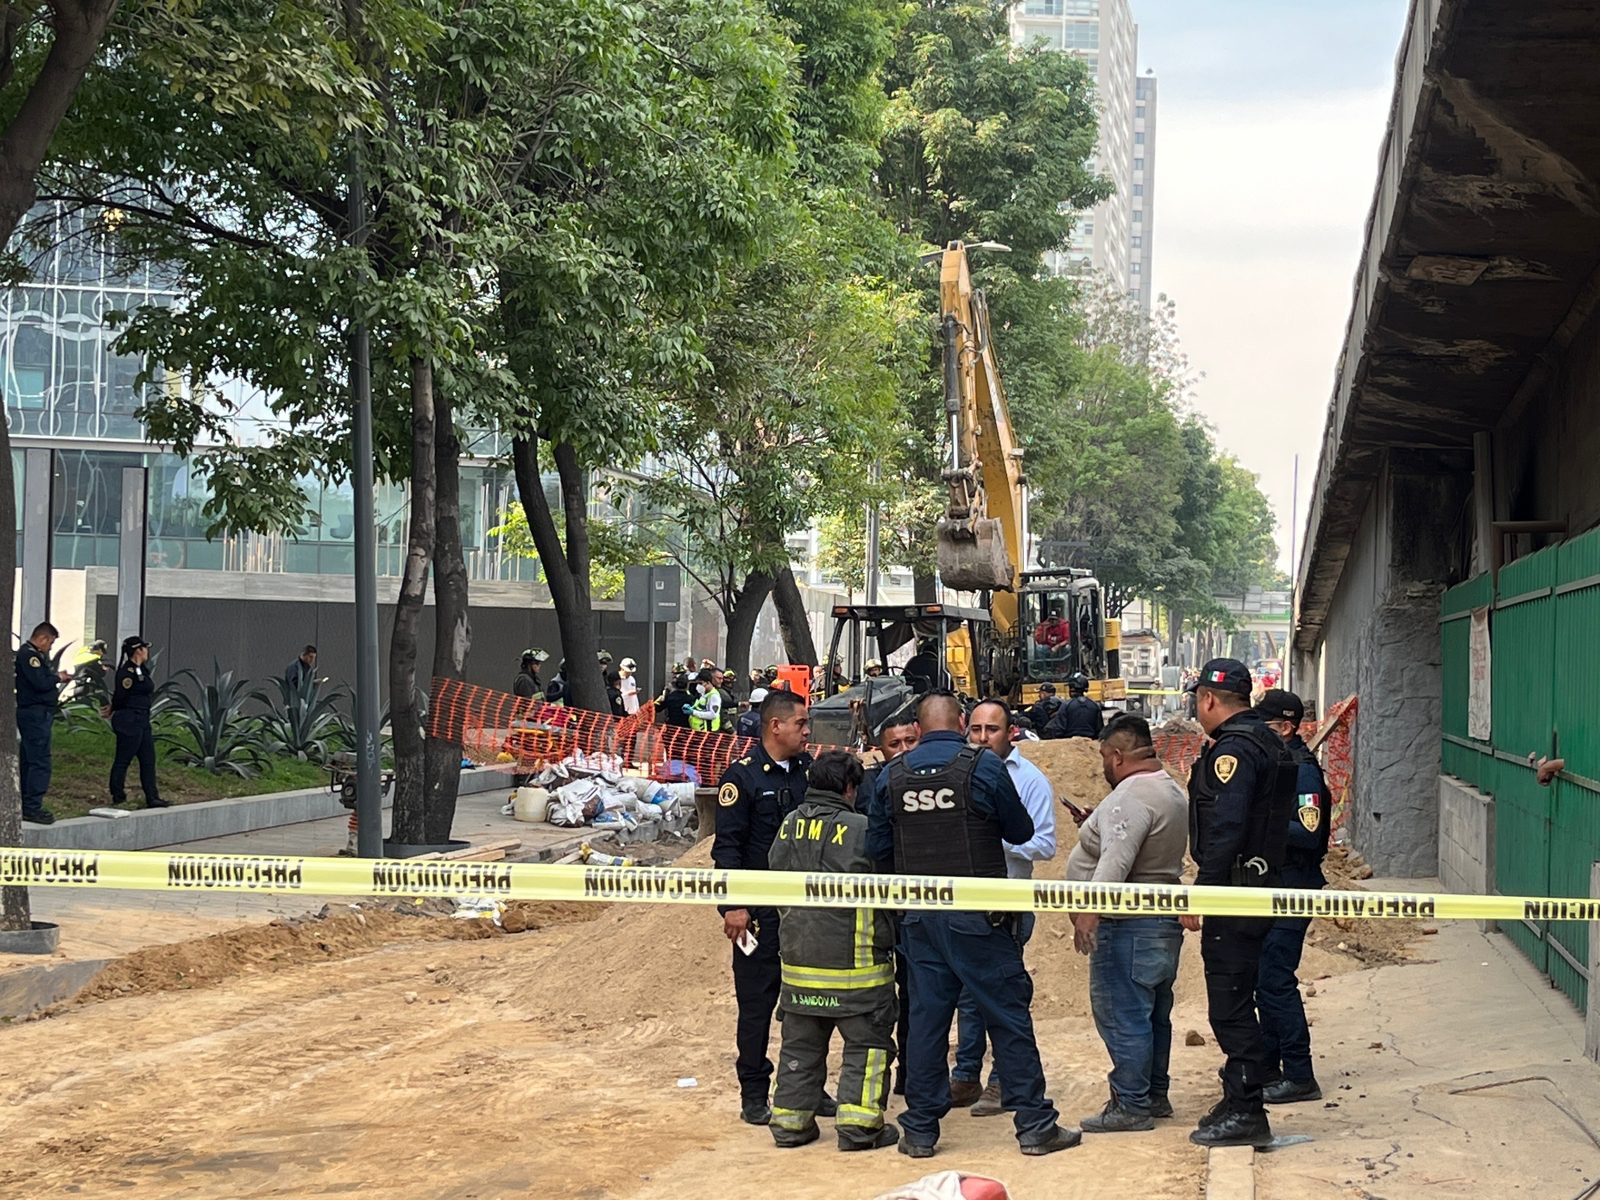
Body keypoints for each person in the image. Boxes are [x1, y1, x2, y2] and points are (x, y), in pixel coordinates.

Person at [865, 692, 1079, 1159]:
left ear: (918, 731)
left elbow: (878, 848)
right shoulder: (982, 767)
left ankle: (920, 1130)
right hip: (980, 917)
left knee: (925, 1022)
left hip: (920, 919)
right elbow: (1022, 832)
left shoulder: (891, 775)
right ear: (961, 723)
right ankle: (1035, 1126)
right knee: (1007, 1015)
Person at [1183, 658, 1297, 1148]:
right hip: (1260, 884)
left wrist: (1204, 890)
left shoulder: (1234, 750)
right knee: (1239, 997)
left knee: (1229, 1005)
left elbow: (1227, 825)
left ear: (1209, 699)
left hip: (1235, 892)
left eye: (1197, 700)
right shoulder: (1270, 740)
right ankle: (1238, 1095)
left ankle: (1248, 1108)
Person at [767, 751, 900, 1152]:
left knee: (800, 1047)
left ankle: (790, 1125)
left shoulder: (788, 825)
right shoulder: (861, 828)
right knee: (868, 1047)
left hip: (799, 967)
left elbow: (772, 871)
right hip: (856, 970)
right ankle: (859, 1129)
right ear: (849, 788)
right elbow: (889, 883)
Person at [1067, 713, 1189, 1131]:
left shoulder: (1132, 794)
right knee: (1153, 1014)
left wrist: (1089, 913)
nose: (1103, 766)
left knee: (1123, 1014)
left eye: (1104, 758)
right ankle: (1153, 1095)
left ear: (1117, 755)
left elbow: (1116, 861)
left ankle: (1131, 1105)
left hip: (1127, 925)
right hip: (1159, 923)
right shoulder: (1168, 788)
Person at [712, 688, 817, 1125]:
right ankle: (754, 1093)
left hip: (805, 915)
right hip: (758, 915)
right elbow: (728, 849)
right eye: (801, 724)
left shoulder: (809, 772)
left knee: (810, 1004)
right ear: (776, 726)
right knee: (756, 1007)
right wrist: (733, 907)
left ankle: (806, 1087)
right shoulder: (742, 779)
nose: (807, 731)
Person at [951, 700, 1058, 1116]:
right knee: (966, 993)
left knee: (1000, 993)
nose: (981, 738)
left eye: (991, 730)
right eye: (975, 729)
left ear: (1010, 732)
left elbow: (1045, 844)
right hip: (966, 900)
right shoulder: (959, 773)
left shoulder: (1029, 780)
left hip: (1009, 902)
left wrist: (993, 842)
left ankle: (1002, 1081)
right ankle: (965, 1076)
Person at [1253, 689, 1332, 1105]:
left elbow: (1309, 831)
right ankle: (1269, 1066)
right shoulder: (1280, 764)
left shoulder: (1301, 770)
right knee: (1263, 979)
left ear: (1285, 728)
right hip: (1275, 886)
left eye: (1264, 728)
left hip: (1294, 886)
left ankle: (1300, 1075)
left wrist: (1259, 825)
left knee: (1275, 980)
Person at [862, 712, 922, 1095]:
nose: (902, 751)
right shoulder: (871, 785)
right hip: (881, 905)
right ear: (879, 749)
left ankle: (911, 1074)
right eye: (893, 744)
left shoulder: (936, 779)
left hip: (922, 903)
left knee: (918, 993)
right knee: (880, 994)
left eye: (909, 742)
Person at [16, 620, 69, 825]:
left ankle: (26, 803)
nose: (50, 648)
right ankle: (32, 806)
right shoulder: (29, 656)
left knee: (30, 759)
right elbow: (40, 682)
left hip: (38, 714)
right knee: (39, 761)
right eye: (50, 643)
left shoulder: (34, 655)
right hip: (35, 714)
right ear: (42, 638)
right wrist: (56, 677)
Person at [108, 635, 167, 810]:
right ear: (138, 651)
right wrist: (113, 708)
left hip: (142, 719)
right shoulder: (127, 672)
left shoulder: (142, 670)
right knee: (123, 758)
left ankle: (152, 796)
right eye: (145, 648)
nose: (147, 651)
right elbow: (121, 695)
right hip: (129, 719)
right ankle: (117, 794)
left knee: (148, 759)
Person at [1044, 673, 1103, 740]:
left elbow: (1059, 729)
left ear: (1072, 689)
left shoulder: (1066, 705)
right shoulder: (1094, 705)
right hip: (1090, 743)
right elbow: (1100, 730)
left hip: (1070, 743)